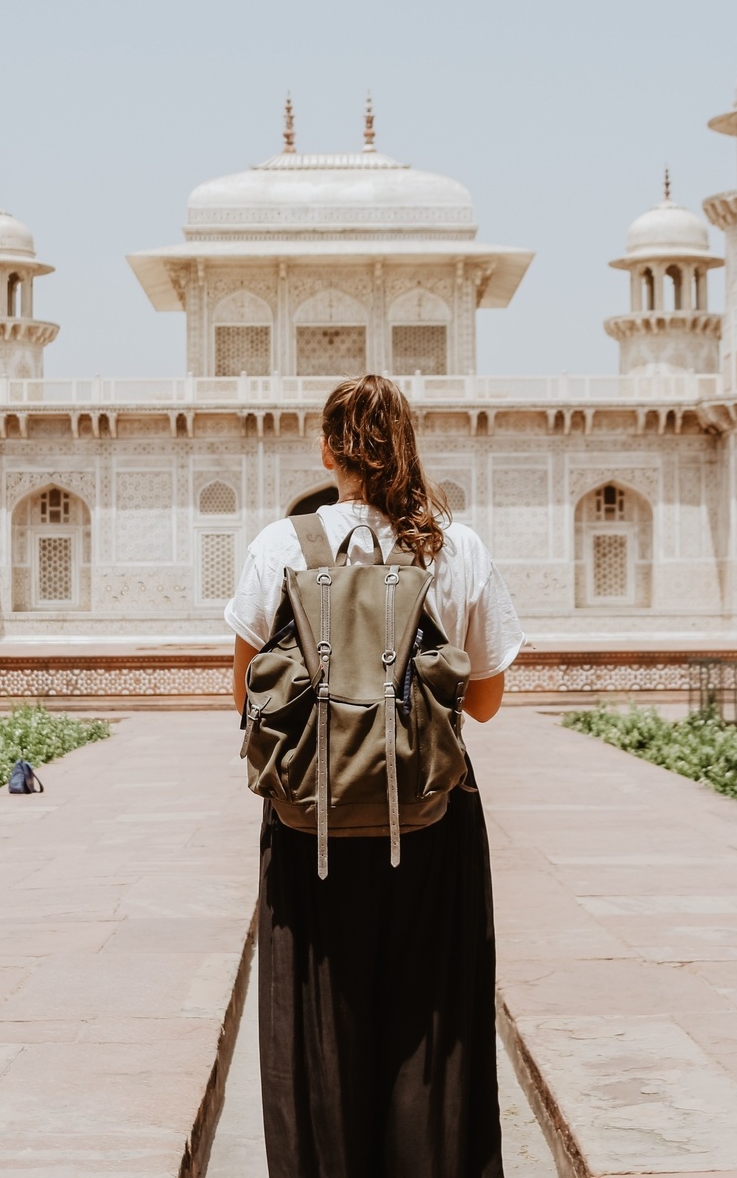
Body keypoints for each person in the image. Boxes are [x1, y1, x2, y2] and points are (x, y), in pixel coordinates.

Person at [225, 374, 525, 1178]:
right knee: (432, 1029)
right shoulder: (455, 548)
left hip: (310, 828)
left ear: (327, 450)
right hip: (431, 819)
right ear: (408, 445)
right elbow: (488, 702)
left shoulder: (279, 546)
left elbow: (245, 698)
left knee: (318, 1032)